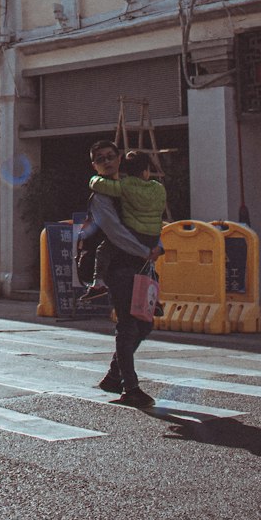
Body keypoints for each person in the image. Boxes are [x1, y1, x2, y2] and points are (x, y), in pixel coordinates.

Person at [85, 140, 164, 409]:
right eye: (100, 159)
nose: (106, 162)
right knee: (128, 325)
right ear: (94, 165)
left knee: (145, 324)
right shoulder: (101, 196)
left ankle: (114, 375)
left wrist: (156, 247)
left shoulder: (129, 189)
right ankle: (130, 388)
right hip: (120, 267)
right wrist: (145, 250)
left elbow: (150, 219)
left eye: (110, 156)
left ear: (119, 159)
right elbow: (115, 232)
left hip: (142, 266)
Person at [81, 149, 166, 302]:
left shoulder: (124, 187)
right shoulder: (159, 189)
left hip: (134, 234)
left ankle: (97, 283)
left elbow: (102, 186)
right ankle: (155, 300)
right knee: (147, 268)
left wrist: (93, 179)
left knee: (104, 250)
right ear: (146, 171)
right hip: (153, 236)